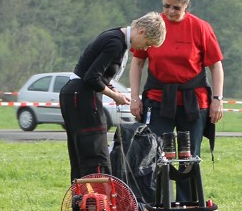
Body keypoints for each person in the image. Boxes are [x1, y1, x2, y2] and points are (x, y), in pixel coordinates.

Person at [129, 0, 224, 204]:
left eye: (176, 8)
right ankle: (155, 203)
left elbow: (216, 65)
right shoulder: (154, 25)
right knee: (153, 150)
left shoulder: (200, 27)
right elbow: (137, 63)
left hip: (194, 101)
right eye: (166, 6)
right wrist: (135, 98)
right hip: (158, 99)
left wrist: (217, 99)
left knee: (188, 156)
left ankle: (188, 204)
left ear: (186, 6)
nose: (170, 12)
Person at [59, 13, 166, 182]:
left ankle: (81, 202)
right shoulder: (115, 43)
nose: (145, 49)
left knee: (80, 155)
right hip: (82, 96)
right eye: (147, 44)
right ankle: (96, 203)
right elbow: (91, 78)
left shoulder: (115, 36)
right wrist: (114, 96)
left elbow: (97, 74)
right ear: (142, 31)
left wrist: (112, 88)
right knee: (96, 154)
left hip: (74, 95)